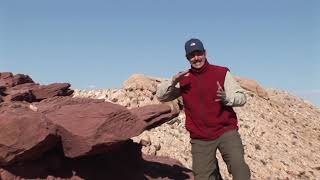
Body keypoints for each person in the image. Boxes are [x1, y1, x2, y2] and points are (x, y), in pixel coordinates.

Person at [156, 38, 251, 180]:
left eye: (198, 53)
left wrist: (227, 99)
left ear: (205, 53)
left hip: (225, 130)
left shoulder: (221, 72)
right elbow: (161, 97)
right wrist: (173, 81)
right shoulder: (184, 79)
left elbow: (242, 97)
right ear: (187, 58)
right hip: (200, 137)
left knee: (239, 169)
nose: (196, 58)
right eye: (192, 55)